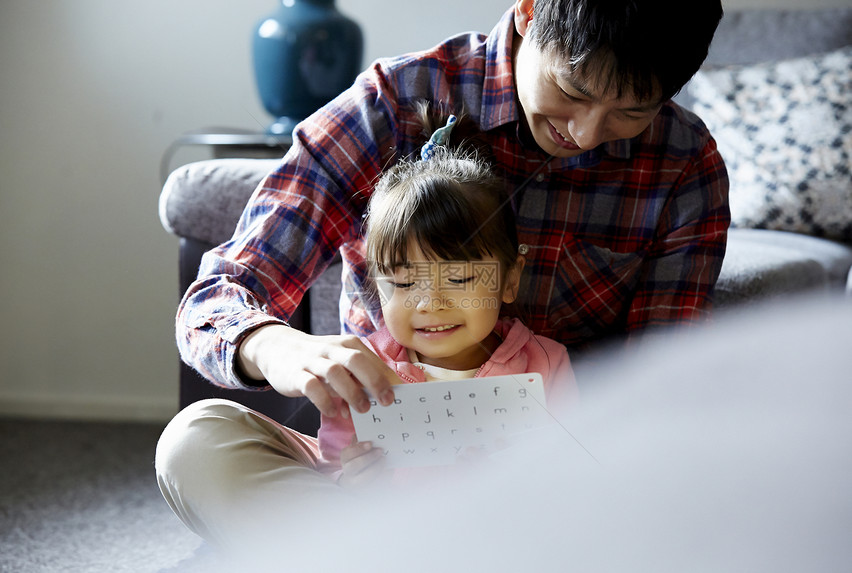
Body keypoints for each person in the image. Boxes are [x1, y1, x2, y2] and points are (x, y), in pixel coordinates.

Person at [174, 0, 728, 426]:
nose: (584, 134)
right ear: (530, 12)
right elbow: (217, 297)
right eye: (571, 89)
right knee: (200, 438)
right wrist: (273, 347)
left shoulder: (683, 163)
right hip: (386, 447)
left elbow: (659, 375)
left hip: (563, 456)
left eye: (630, 112)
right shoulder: (393, 102)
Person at [156, 113, 578, 542]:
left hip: (499, 537)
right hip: (377, 531)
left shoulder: (543, 363)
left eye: (459, 280)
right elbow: (333, 468)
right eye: (403, 283)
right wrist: (354, 482)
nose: (430, 303)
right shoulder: (361, 368)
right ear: (377, 286)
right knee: (194, 436)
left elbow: (575, 476)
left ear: (508, 280)